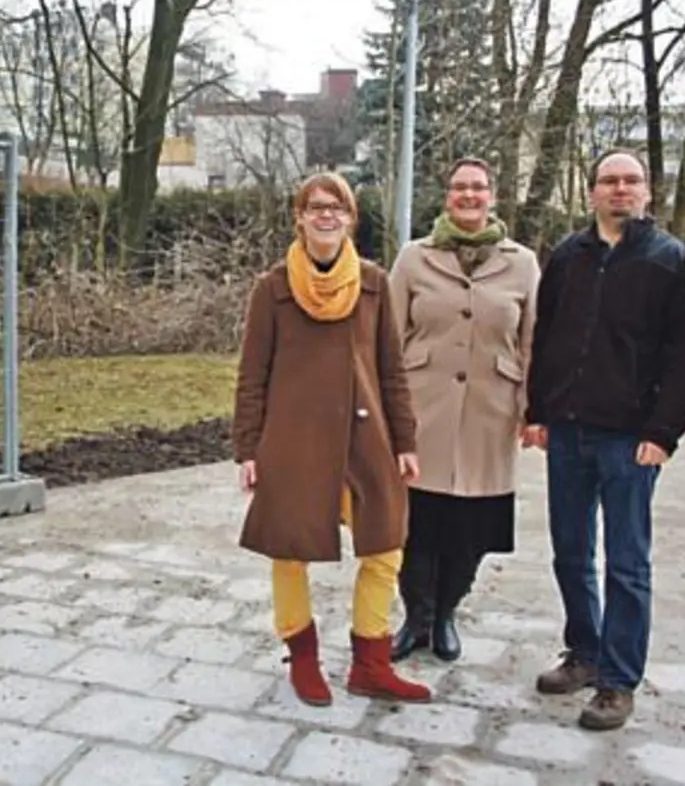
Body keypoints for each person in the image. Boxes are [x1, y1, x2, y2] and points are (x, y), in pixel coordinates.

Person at [522, 148, 685, 731]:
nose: (620, 190)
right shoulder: (568, 257)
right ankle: (585, 651)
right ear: (592, 191)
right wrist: (537, 410)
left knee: (627, 563)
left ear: (647, 191)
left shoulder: (670, 261)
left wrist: (663, 432)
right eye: (609, 181)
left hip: (630, 440)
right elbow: (545, 336)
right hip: (569, 432)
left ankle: (618, 681)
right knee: (571, 553)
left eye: (631, 181)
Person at [231, 171, 432, 707]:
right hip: (292, 442)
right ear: (299, 217)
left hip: (366, 439)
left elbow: (392, 369)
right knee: (289, 551)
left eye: (336, 207)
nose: (326, 214)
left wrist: (405, 440)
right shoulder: (272, 289)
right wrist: (247, 449)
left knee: (386, 546)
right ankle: (302, 658)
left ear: (350, 218)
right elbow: (252, 375)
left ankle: (371, 662)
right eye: (315, 206)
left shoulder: (372, 284)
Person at [387, 157, 540, 663]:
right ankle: (416, 617)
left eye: (478, 187)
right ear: (446, 195)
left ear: (492, 195)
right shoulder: (414, 257)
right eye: (459, 188)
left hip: (489, 412)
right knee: (417, 523)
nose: (468, 196)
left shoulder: (522, 262)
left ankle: (447, 613)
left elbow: (532, 340)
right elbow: (386, 337)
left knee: (470, 527)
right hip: (422, 407)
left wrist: (530, 408)